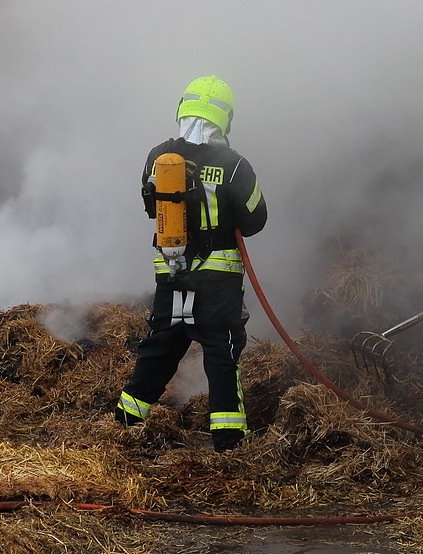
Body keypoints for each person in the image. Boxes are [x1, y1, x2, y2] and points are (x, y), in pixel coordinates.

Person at [114, 75, 268, 452]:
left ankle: (125, 422)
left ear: (183, 108)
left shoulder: (158, 156)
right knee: (221, 351)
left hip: (170, 273)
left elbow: (152, 206)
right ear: (225, 117)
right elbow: (255, 220)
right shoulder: (234, 166)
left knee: (161, 346)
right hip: (217, 280)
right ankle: (229, 442)